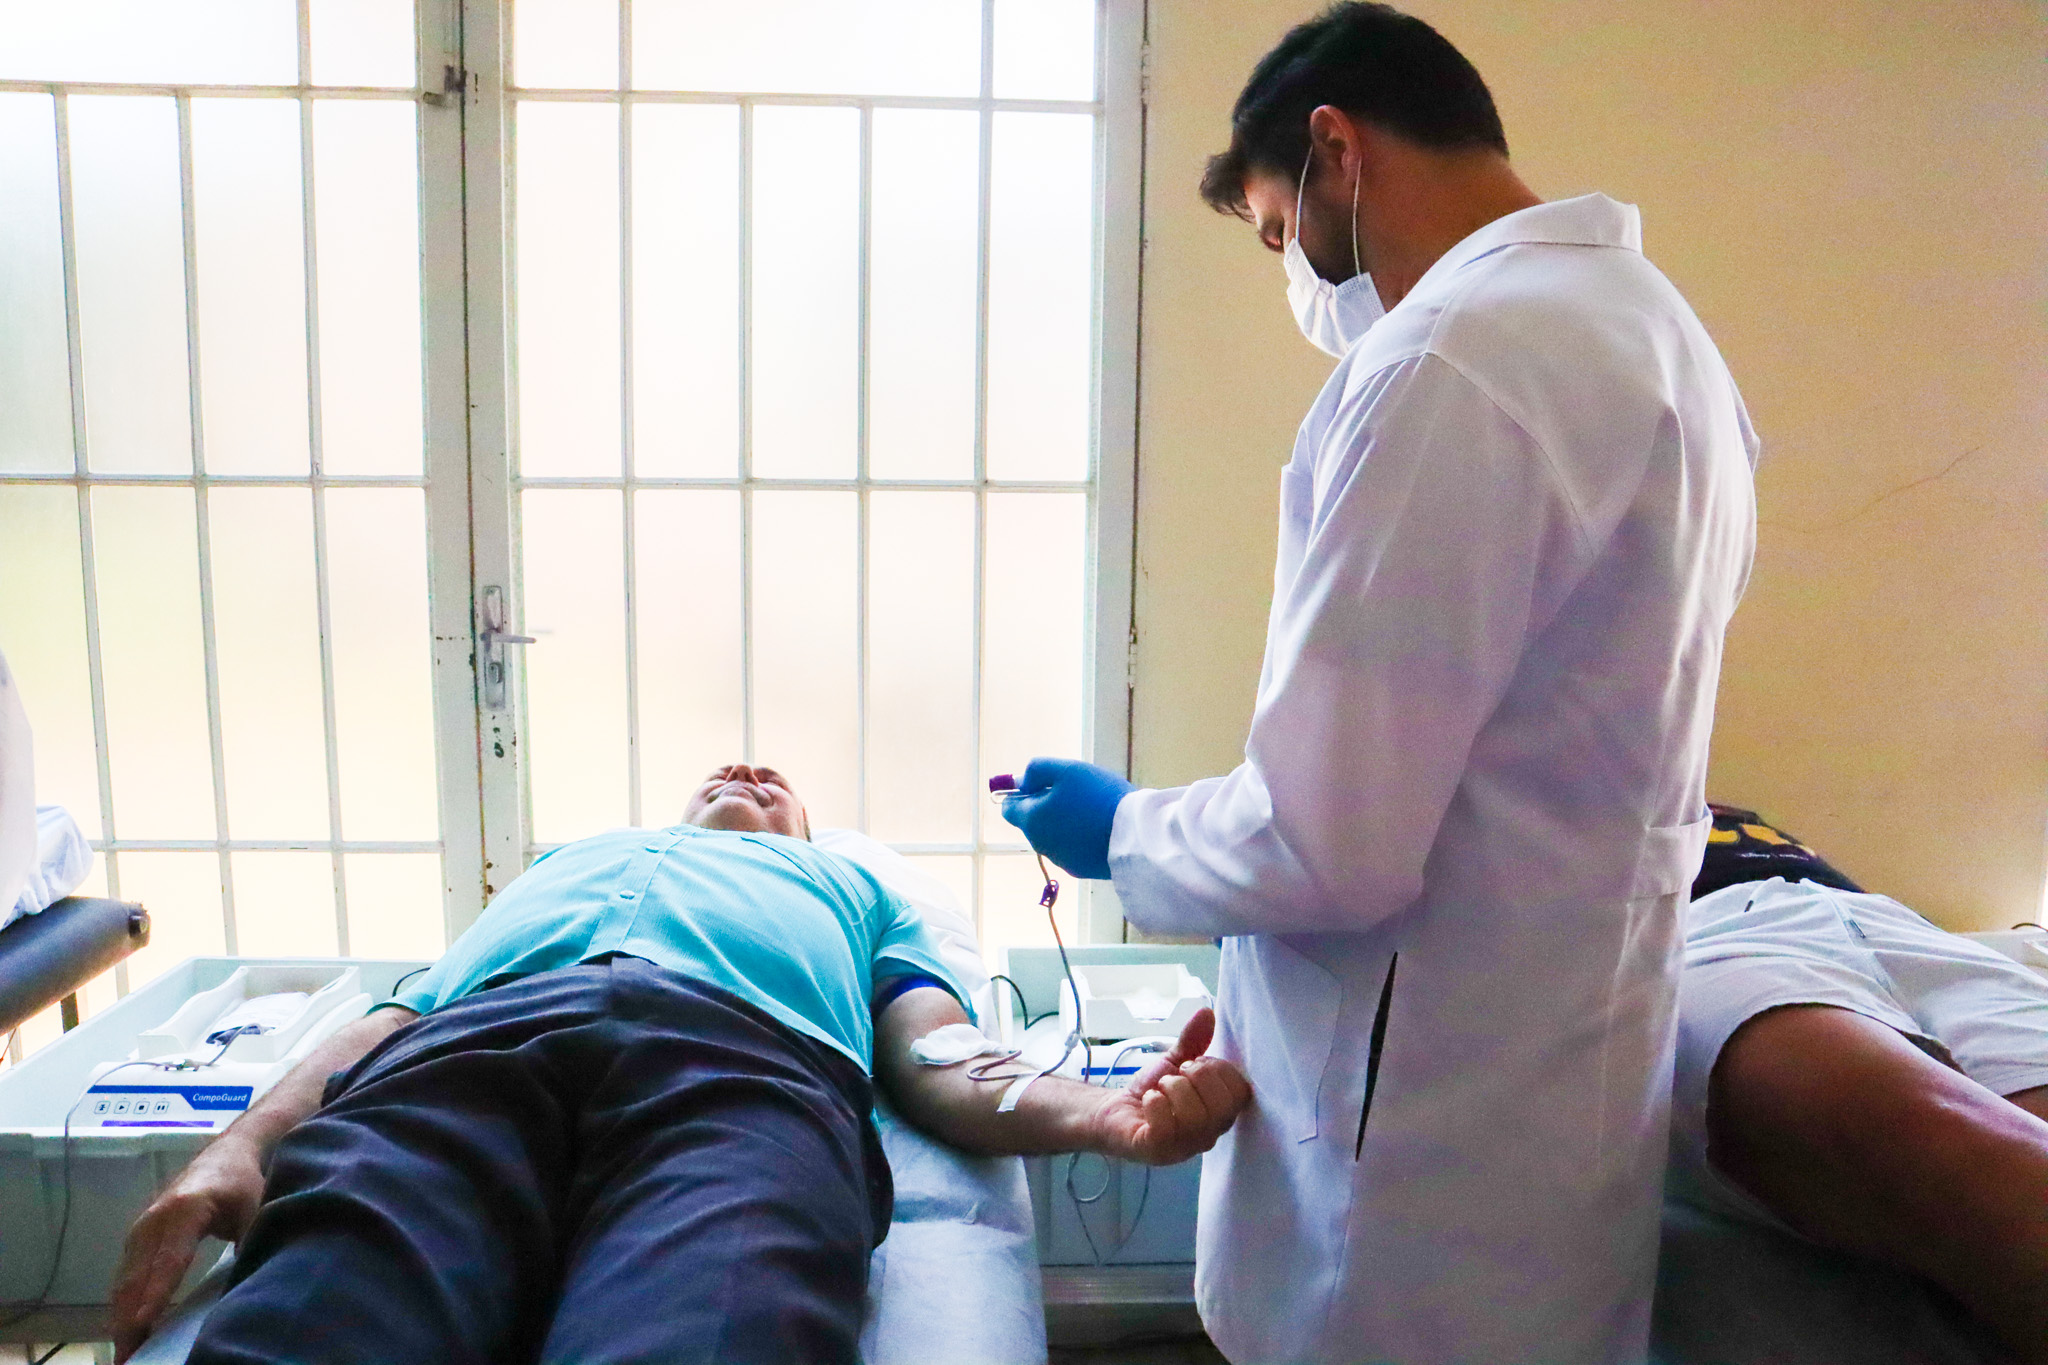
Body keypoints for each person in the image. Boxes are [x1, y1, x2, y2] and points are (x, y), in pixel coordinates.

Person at [999, 5, 1757, 1362]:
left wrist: (1121, 829)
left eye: (1280, 231)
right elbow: (1516, 758)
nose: (1294, 277)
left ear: (1335, 148)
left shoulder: (1444, 363)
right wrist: (1248, 999)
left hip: (1412, 1170)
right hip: (1555, 1081)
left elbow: (1328, 838)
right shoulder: (1670, 339)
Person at [108, 763, 1251, 1365]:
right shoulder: (561, 867)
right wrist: (236, 1149)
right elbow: (393, 1023)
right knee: (328, 1308)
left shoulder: (856, 890)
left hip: (739, 1077)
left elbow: (941, 1057)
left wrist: (1104, 1113)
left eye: (776, 783)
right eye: (725, 771)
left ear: (808, 837)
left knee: (709, 1327)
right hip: (466, 1064)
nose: (747, 769)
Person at [1671, 805, 2048, 1364]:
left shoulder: (1718, 808)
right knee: (1940, 1143)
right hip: (1714, 932)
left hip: (1918, 934)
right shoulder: (1613, 810)